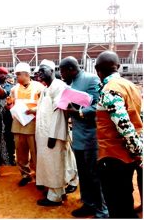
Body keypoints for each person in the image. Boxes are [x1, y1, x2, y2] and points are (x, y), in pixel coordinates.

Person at [95, 50, 142, 218]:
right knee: (125, 198)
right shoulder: (132, 87)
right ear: (119, 67)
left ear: (97, 70)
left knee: (117, 205)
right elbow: (139, 120)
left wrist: (138, 153)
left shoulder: (109, 90)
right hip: (126, 157)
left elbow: (125, 126)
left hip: (113, 156)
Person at [59, 56, 109, 218]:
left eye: (62, 71)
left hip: (91, 137)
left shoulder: (91, 79)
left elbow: (98, 106)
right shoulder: (71, 83)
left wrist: (78, 112)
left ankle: (102, 211)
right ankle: (88, 204)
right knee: (84, 174)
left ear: (70, 69)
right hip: (78, 137)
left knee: (94, 175)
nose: (61, 75)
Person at [35, 59, 78, 206]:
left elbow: (59, 112)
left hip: (52, 135)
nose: (40, 73)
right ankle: (58, 191)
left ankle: (55, 197)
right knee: (51, 163)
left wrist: (53, 135)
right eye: (39, 70)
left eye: (43, 70)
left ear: (53, 71)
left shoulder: (58, 86)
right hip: (44, 134)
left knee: (54, 164)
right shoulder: (47, 88)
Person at [7, 62, 45, 186]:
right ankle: (25, 175)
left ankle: (40, 177)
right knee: (21, 153)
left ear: (27, 74)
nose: (16, 77)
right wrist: (9, 105)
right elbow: (11, 105)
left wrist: (35, 110)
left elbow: (45, 105)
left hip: (33, 125)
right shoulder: (14, 89)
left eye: (19, 74)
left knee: (36, 153)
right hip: (18, 125)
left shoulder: (39, 87)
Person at [0, 66, 16, 165]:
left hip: (7, 116)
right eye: (0, 73)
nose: (2, 75)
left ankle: (11, 157)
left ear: (6, 75)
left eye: (4, 74)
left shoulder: (10, 87)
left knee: (9, 136)